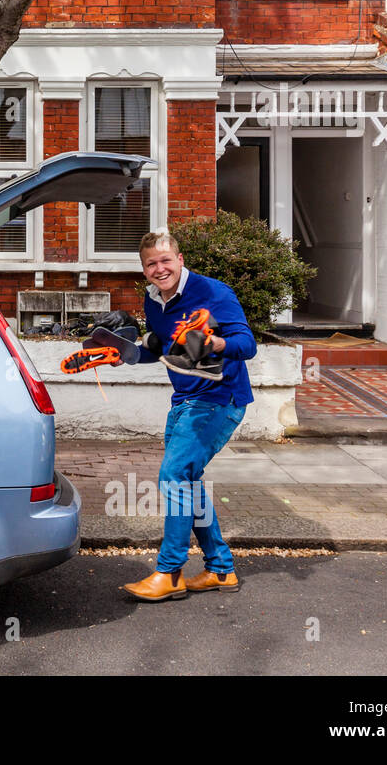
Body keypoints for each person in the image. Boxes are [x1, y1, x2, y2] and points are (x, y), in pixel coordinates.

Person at [120, 231, 257, 602]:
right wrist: (126, 354)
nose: (159, 268)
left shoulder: (214, 293)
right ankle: (220, 570)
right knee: (189, 482)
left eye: (166, 260)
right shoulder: (154, 301)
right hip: (184, 399)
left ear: (180, 260)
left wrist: (213, 343)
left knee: (175, 475)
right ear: (144, 269)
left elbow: (248, 345)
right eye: (151, 263)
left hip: (219, 399)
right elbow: (161, 345)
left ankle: (170, 572)